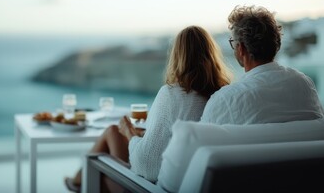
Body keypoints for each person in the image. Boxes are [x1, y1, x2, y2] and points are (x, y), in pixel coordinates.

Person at [64, 26, 232, 192]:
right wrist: (142, 135)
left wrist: (130, 132)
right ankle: (77, 182)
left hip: (150, 186)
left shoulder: (171, 93)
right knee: (113, 131)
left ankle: (79, 182)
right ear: (212, 54)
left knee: (108, 144)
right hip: (190, 176)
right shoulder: (222, 95)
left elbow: (147, 164)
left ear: (177, 56)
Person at [201, 5, 324, 124]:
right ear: (277, 45)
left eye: (233, 42)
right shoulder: (305, 86)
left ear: (241, 49)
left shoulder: (226, 100)